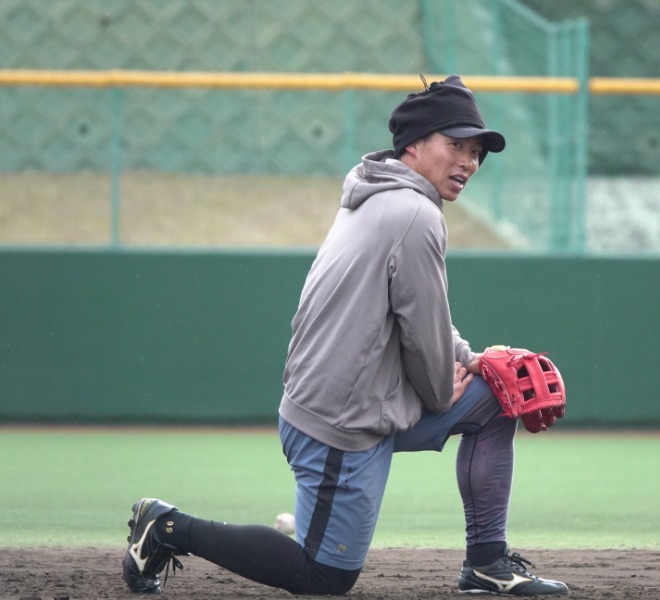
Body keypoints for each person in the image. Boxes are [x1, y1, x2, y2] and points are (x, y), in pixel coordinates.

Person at [122, 75, 568, 597]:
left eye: (476, 152)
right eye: (455, 145)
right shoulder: (415, 213)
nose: (468, 161)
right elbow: (424, 342)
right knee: (323, 577)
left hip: (350, 401)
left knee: (497, 396)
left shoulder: (376, 191)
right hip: (342, 422)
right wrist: (439, 390)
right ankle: (168, 527)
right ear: (414, 144)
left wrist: (469, 358)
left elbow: (420, 311)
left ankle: (487, 563)